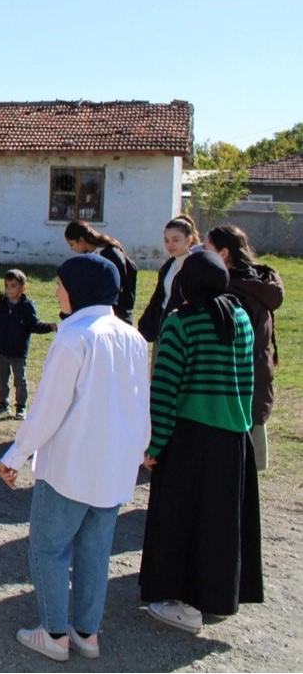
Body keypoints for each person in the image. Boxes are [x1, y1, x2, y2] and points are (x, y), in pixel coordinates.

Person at [0, 254, 151, 662]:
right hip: (114, 466)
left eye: (62, 284)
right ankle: (87, 632)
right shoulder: (131, 337)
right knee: (95, 551)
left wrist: (16, 453)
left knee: (49, 548)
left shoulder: (74, 336)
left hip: (71, 463)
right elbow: (140, 403)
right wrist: (139, 450)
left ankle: (54, 633)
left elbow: (48, 407)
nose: (57, 291)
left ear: (79, 288)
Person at [140, 250, 262, 633]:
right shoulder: (240, 317)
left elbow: (165, 390)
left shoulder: (181, 323)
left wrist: (153, 446)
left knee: (182, 521)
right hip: (233, 435)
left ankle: (185, 604)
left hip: (190, 437)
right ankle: (214, 597)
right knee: (220, 523)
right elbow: (249, 377)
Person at [205, 224, 284, 470]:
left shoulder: (230, 288)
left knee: (234, 456)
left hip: (236, 373)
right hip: (258, 368)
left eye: (207, 250)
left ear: (224, 253)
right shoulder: (259, 281)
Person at [0, 269, 56, 419]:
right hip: (2, 350)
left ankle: (21, 406)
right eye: (7, 285)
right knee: (2, 379)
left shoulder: (27, 307)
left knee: (20, 380)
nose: (9, 289)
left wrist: (50, 327)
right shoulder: (1, 304)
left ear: (23, 288)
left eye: (13, 286)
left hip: (18, 351)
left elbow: (34, 325)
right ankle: (3, 403)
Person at [137, 215, 200, 342]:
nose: (170, 245)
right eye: (166, 240)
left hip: (186, 328)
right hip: (164, 324)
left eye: (176, 240)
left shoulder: (197, 265)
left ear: (189, 240)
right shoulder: (168, 265)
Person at [63, 220, 137, 322]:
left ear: (81, 240)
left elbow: (122, 284)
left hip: (116, 313)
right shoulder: (87, 257)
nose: (71, 249)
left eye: (71, 244)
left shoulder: (111, 253)